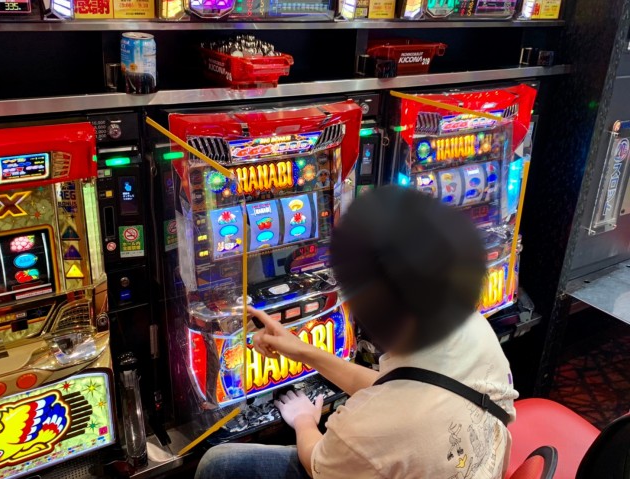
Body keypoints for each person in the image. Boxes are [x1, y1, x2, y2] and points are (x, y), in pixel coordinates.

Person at [196, 185, 518, 479]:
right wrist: (302, 351)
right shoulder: (472, 328)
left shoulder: (372, 429)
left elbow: (317, 462)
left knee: (219, 464)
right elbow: (401, 389)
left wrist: (304, 420)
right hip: (481, 465)